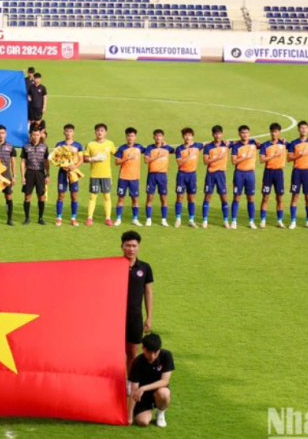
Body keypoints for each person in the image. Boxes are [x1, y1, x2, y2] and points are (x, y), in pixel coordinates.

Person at [120, 231, 153, 395]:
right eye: (128, 245)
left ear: (139, 247)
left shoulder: (145, 268)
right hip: (115, 317)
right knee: (113, 353)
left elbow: (148, 292)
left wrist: (149, 317)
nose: (131, 249)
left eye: (134, 246)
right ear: (122, 246)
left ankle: (129, 382)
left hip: (135, 317)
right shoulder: (114, 266)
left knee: (133, 353)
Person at [129, 333, 173, 428]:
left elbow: (164, 381)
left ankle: (160, 414)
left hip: (158, 390)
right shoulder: (137, 363)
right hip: (142, 396)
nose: (152, 356)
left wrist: (143, 388)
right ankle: (145, 410)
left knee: (164, 393)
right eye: (149, 352)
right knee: (143, 422)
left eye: (155, 352)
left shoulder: (166, 356)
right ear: (143, 349)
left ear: (159, 349)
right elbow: (134, 389)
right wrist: (129, 416)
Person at [287, 121, 308, 229]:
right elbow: (289, 158)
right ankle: (293, 221)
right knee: (295, 196)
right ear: (298, 129)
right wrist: (300, 154)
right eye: (301, 128)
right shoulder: (294, 143)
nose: (304, 130)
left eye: (305, 128)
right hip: (297, 172)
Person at [83, 123, 117, 226]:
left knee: (107, 196)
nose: (99, 132)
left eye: (102, 130)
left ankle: (108, 218)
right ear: (95, 132)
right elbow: (84, 158)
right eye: (98, 130)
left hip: (106, 175)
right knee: (92, 196)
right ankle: (89, 218)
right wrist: (94, 158)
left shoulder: (110, 144)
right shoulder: (90, 144)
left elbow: (117, 154)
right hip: (94, 175)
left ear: (106, 132)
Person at [114, 127, 145, 227]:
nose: (130, 138)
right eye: (128, 136)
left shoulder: (139, 147)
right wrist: (126, 158)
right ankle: (118, 219)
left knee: (135, 199)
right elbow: (116, 162)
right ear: (126, 137)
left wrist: (163, 144)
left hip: (134, 178)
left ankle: (135, 219)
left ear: (135, 137)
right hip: (123, 177)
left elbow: (150, 150)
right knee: (121, 198)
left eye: (132, 136)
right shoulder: (122, 148)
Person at [258, 123, 287, 229]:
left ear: (279, 132)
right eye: (272, 131)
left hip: (279, 173)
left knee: (279, 198)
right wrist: (274, 155)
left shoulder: (284, 144)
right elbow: (262, 160)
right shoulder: (265, 145)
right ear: (270, 132)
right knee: (265, 197)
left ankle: (280, 220)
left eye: (276, 131)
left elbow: (295, 145)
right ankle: (263, 220)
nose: (274, 134)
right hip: (268, 173)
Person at [0, 125, 18, 226]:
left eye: (3, 133)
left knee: (8, 196)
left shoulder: (10, 147)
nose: (1, 135)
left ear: (6, 134)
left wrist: (14, 176)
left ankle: (9, 219)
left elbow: (13, 162)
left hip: (6, 175)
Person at [173, 128, 203, 228]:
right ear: (183, 137)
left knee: (191, 198)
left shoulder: (197, 146)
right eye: (186, 135)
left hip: (192, 175)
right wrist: (189, 156)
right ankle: (178, 219)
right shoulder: (179, 149)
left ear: (192, 136)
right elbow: (179, 162)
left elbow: (209, 143)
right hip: (182, 175)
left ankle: (191, 220)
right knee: (180, 197)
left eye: (189, 135)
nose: (187, 137)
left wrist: (225, 141)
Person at [230, 125, 259, 229]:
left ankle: (251, 221)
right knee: (236, 197)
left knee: (250, 197)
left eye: (246, 132)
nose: (245, 134)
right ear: (239, 134)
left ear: (249, 133)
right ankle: (234, 221)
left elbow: (269, 144)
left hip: (250, 174)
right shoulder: (236, 146)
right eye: (243, 133)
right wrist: (245, 157)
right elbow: (233, 161)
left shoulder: (254, 143)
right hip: (239, 174)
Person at [143, 129, 174, 227]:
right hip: (151, 175)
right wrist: (157, 156)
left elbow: (177, 151)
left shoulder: (167, 148)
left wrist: (167, 145)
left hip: (162, 175)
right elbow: (146, 160)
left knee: (163, 198)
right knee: (150, 197)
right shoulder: (150, 148)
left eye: (160, 136)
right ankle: (148, 219)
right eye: (156, 136)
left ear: (163, 137)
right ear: (153, 137)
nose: (158, 137)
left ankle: (164, 219)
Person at [55, 124, 84, 226]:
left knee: (74, 196)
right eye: (67, 131)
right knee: (61, 195)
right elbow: (55, 158)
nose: (68, 133)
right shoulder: (59, 145)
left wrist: (73, 166)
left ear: (73, 133)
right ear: (64, 132)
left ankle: (73, 218)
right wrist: (62, 165)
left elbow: (81, 160)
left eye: (70, 131)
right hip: (62, 173)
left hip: (73, 173)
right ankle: (59, 218)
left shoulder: (78, 145)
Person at [201, 125, 230, 229]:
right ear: (213, 135)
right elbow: (205, 161)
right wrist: (217, 157)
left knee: (224, 196)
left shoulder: (226, 144)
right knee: (208, 196)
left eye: (219, 133)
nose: (217, 136)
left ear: (222, 134)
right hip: (210, 174)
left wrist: (254, 140)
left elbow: (241, 142)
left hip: (221, 174)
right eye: (215, 134)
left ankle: (225, 220)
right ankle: (205, 220)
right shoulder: (208, 147)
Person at [20, 128, 50, 225]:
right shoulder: (26, 147)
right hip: (29, 173)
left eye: (37, 135)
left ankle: (40, 218)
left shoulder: (44, 147)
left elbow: (47, 161)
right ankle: (27, 218)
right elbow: (23, 162)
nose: (36, 137)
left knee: (41, 196)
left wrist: (48, 174)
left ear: (40, 135)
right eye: (34, 135)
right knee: (27, 196)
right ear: (31, 135)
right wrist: (23, 176)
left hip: (40, 173)